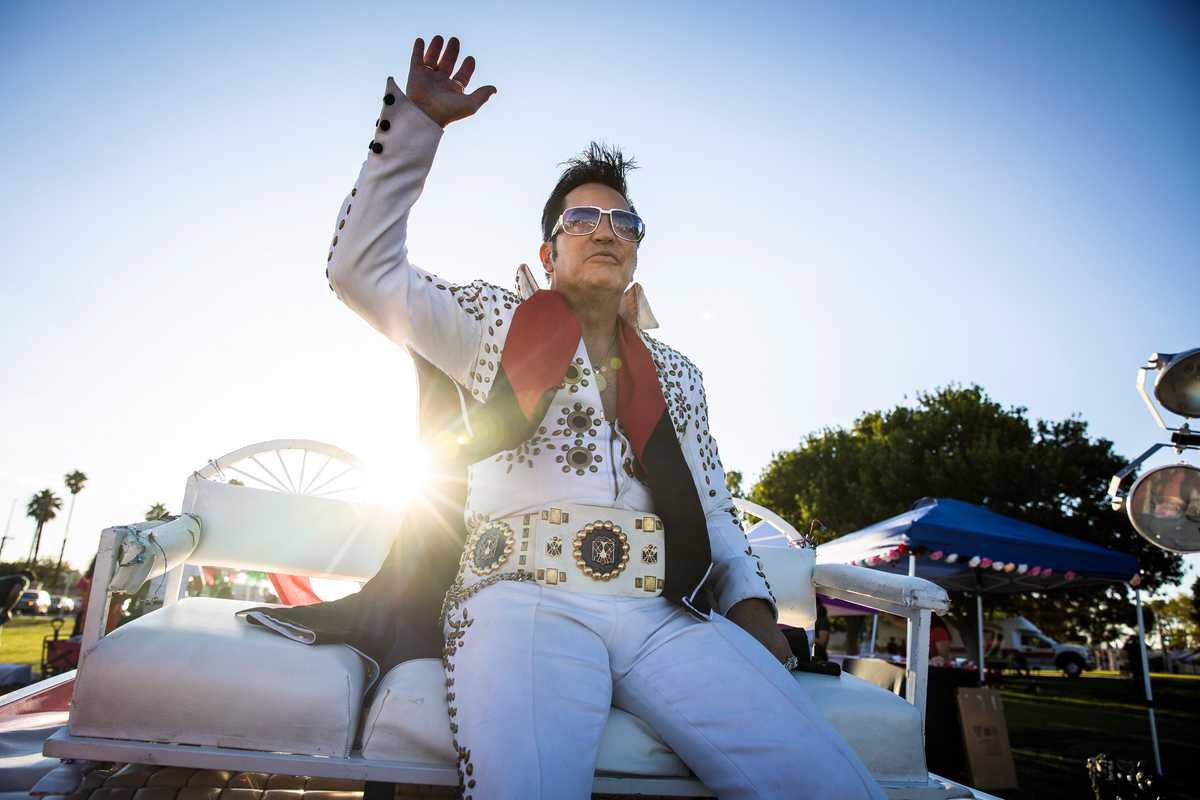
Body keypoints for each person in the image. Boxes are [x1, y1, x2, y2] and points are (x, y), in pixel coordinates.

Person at [242, 35, 882, 800]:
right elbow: (359, 271)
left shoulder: (677, 373)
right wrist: (418, 126)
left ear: (637, 252)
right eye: (583, 219)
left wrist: (758, 629)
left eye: (623, 222)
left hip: (659, 611)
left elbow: (714, 512)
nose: (606, 230)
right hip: (519, 599)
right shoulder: (487, 322)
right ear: (548, 254)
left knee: (825, 784)